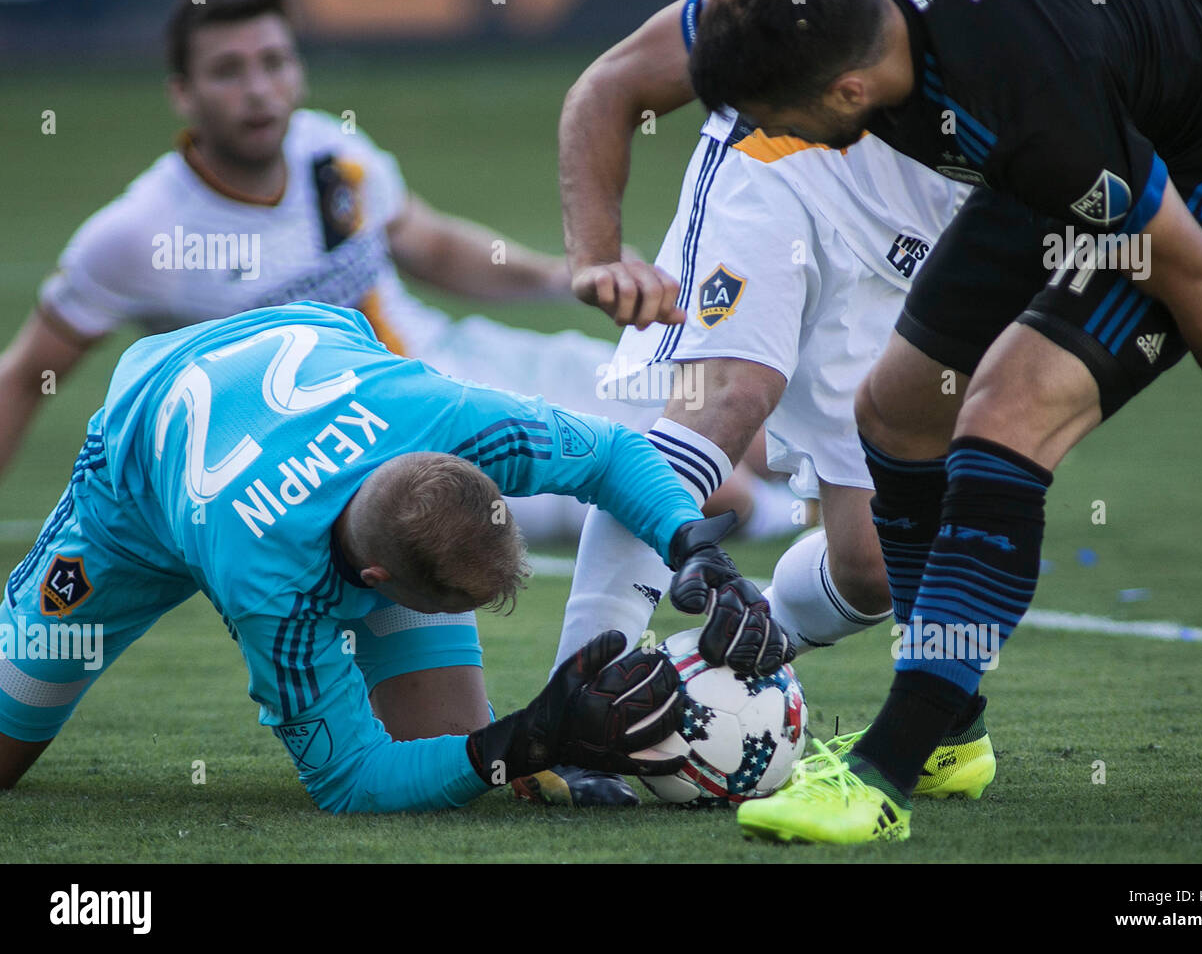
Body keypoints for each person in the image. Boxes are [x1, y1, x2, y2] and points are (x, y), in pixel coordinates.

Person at [553, 0, 1202, 809]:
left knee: (869, 566)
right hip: (794, 156)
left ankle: (765, 657)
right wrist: (597, 255)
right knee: (726, 400)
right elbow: (615, 83)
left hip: (960, 219)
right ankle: (580, 715)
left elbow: (1201, 267)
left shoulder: (1157, 62)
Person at [0, 0, 790, 546]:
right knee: (713, 488)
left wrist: (563, 274)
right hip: (397, 450)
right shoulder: (137, 234)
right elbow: (25, 373)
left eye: (274, 62)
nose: (260, 89)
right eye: (228, 70)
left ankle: (862, 522)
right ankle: (847, 557)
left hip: (466, 358)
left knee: (721, 402)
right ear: (182, 93)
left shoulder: (330, 152)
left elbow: (432, 245)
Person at [0, 301, 789, 811]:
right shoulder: (269, 583)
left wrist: (691, 545)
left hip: (298, 346)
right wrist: (521, 740)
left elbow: (616, 452)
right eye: (460, 601)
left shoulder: (448, 416)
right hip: (132, 485)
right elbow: (350, 783)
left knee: (440, 753)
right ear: (379, 584)